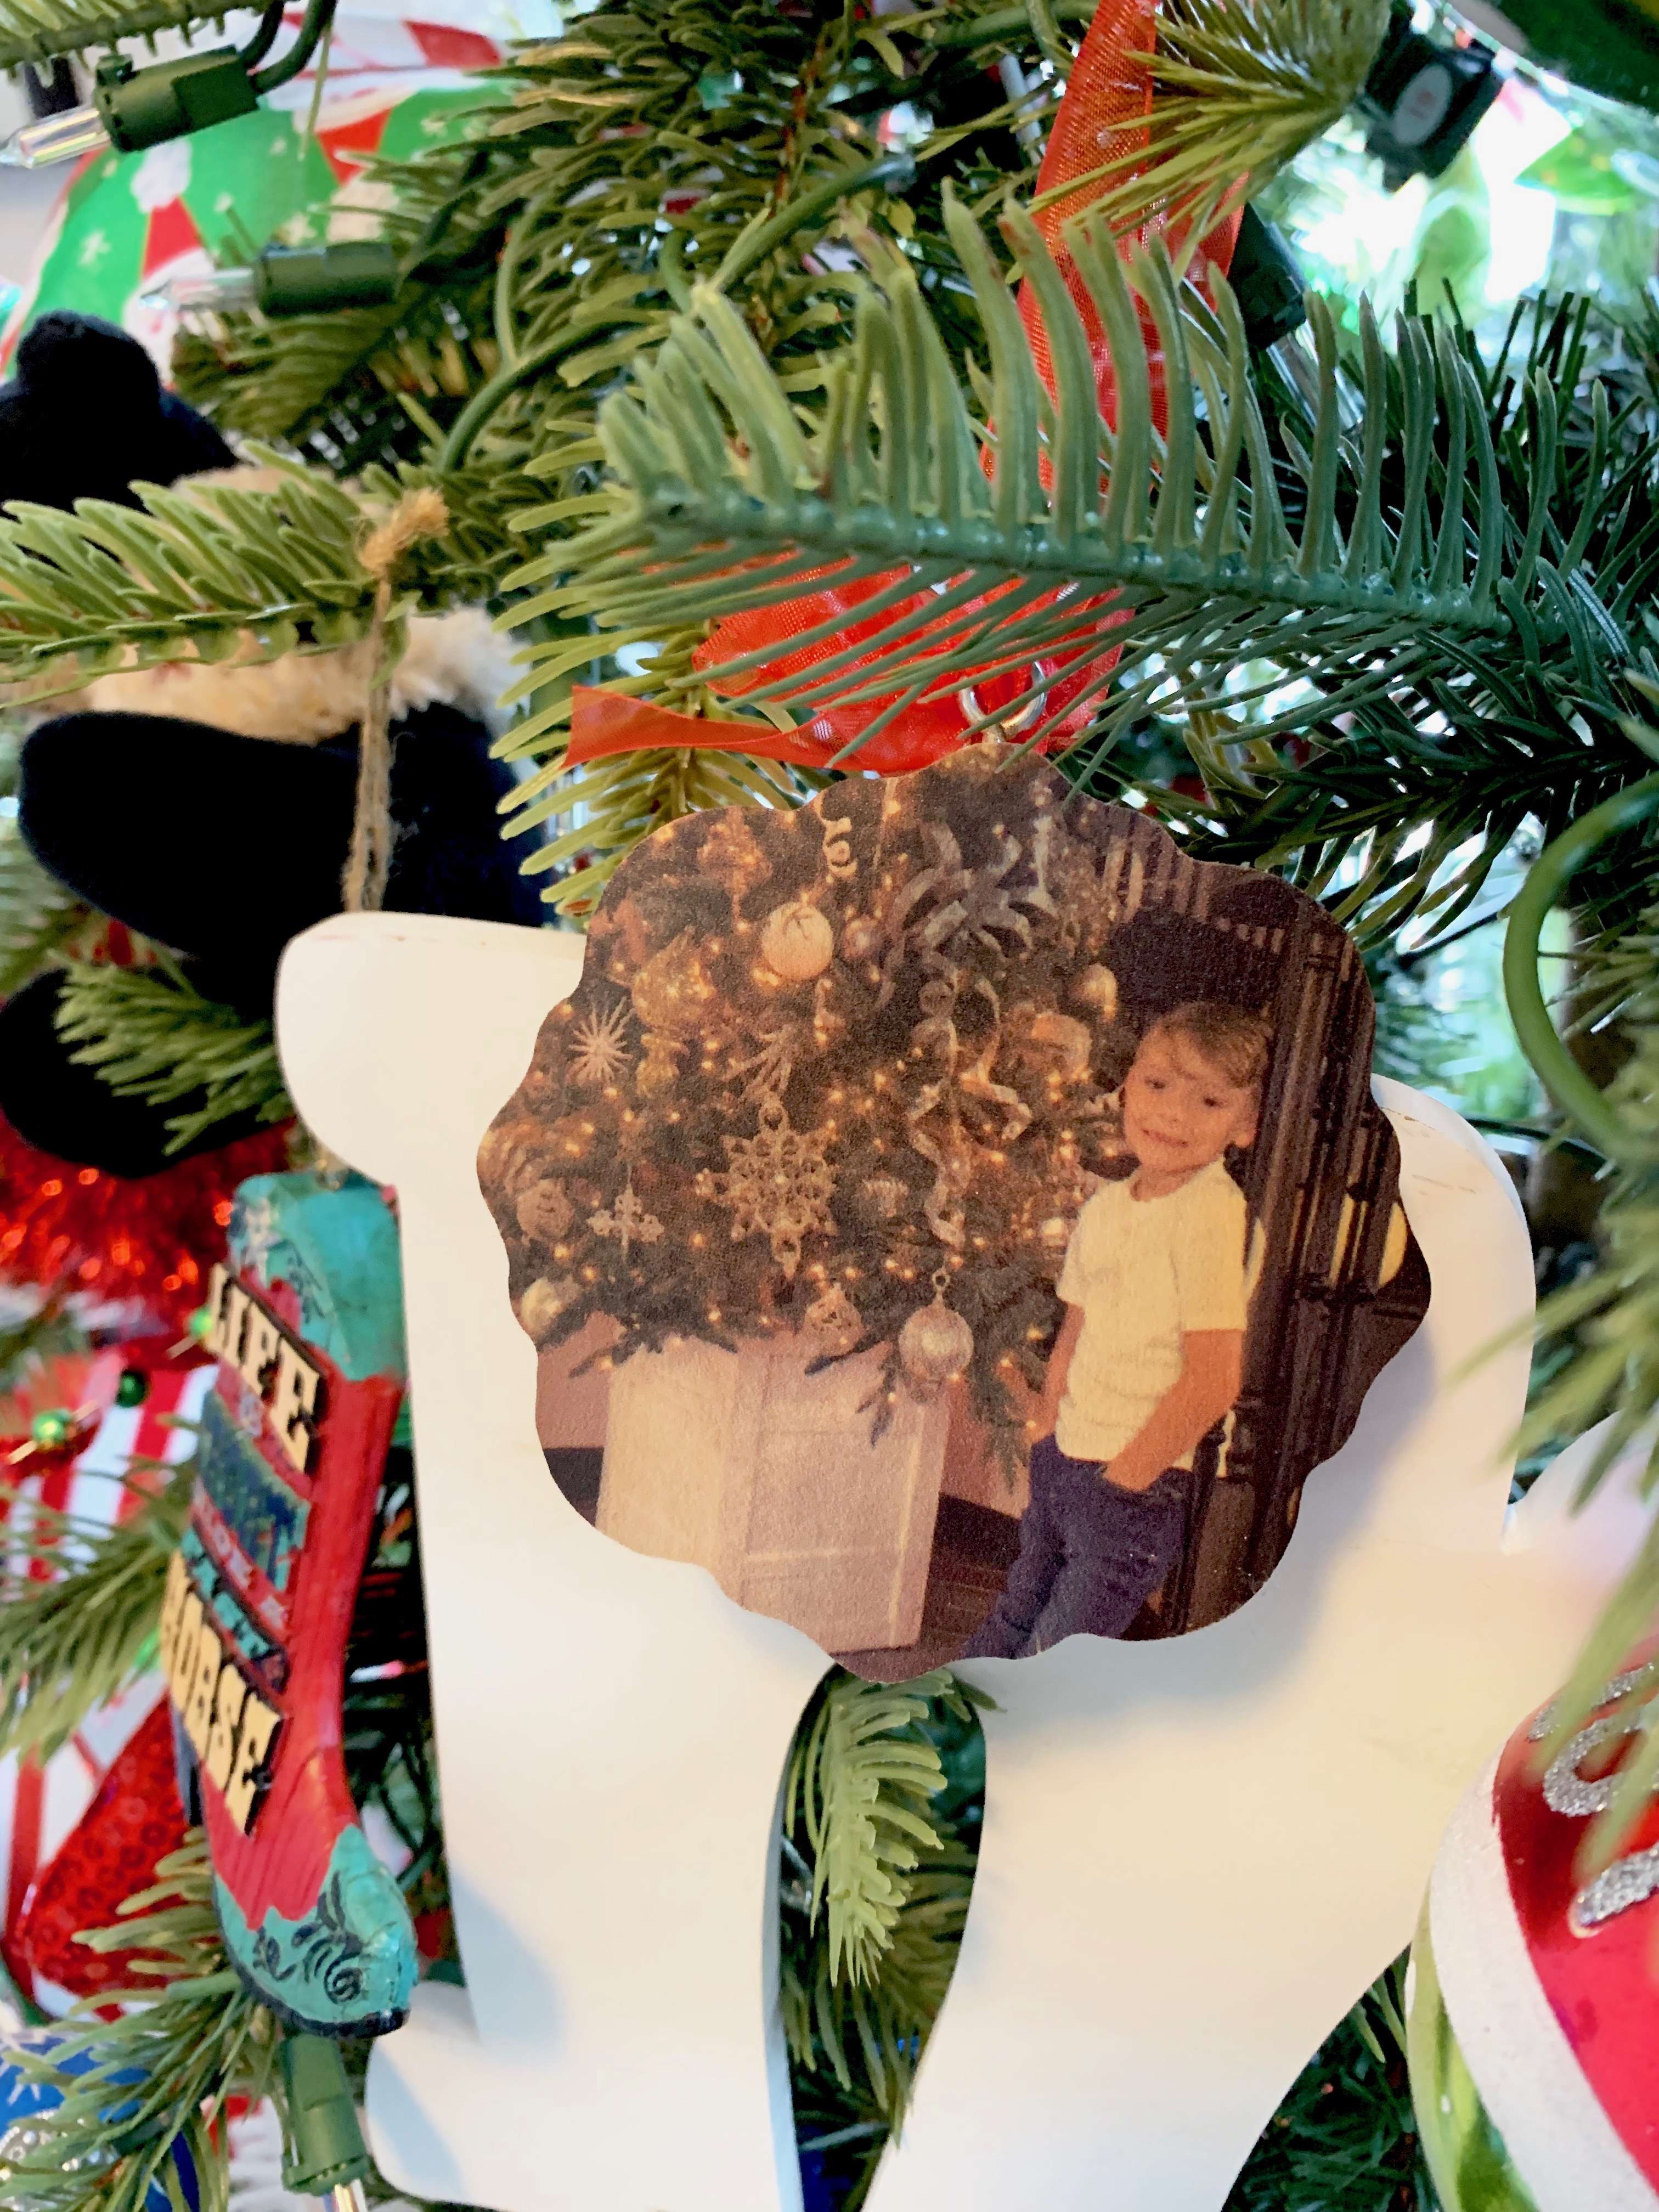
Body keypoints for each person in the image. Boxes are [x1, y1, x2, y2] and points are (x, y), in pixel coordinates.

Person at [965, 1001, 1271, 1658]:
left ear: (1245, 1124)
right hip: (1066, 1461)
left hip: (1136, 1486)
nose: (1173, 1115)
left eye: (1209, 1101)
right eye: (1157, 1085)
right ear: (1127, 1085)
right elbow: (1075, 1330)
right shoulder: (1106, 1208)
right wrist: (1047, 1433)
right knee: (1013, 1620)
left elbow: (1214, 1378)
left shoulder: (1211, 1214)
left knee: (1054, 1658)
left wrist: (1127, 1479)